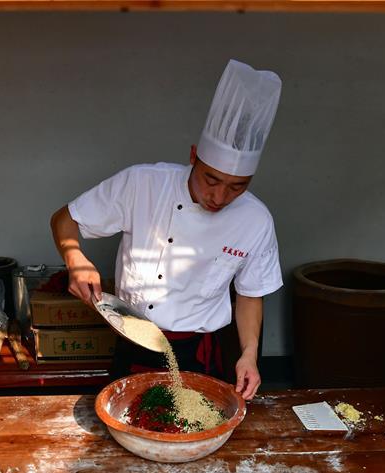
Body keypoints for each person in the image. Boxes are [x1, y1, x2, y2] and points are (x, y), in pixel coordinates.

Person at [50, 59, 283, 400]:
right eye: (211, 179)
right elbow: (64, 218)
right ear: (193, 156)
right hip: (133, 339)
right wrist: (75, 258)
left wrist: (249, 354)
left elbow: (250, 294)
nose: (219, 197)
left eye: (237, 186)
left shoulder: (256, 220)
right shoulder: (142, 184)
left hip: (198, 351)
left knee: (196, 432)